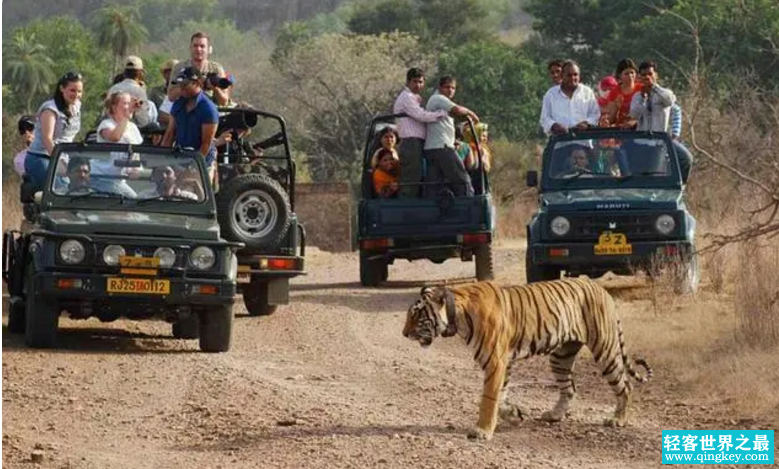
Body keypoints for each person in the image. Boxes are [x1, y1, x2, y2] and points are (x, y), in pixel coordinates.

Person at [392, 68, 449, 197]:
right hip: (410, 142)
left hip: (417, 143)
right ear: (408, 82)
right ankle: (406, 208)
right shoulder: (406, 97)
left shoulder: (414, 98)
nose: (418, 85)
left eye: (421, 82)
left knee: (419, 175)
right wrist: (441, 114)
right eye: (415, 81)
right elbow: (420, 115)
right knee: (411, 178)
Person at [162, 66, 220, 186]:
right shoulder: (178, 104)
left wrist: (192, 169)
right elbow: (169, 134)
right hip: (180, 156)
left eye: (185, 84)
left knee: (195, 195)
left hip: (201, 161)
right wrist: (162, 161)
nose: (181, 88)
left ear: (197, 83)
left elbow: (206, 144)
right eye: (180, 84)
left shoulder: (208, 109)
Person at [25, 71, 83, 189]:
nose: (76, 95)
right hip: (41, 157)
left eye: (79, 91)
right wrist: (59, 162)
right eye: (72, 90)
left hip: (63, 158)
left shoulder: (77, 106)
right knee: (61, 191)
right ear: (62, 88)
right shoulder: (50, 109)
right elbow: (47, 140)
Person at [423, 76, 480, 197]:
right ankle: (469, 207)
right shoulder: (438, 98)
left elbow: (454, 117)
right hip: (442, 147)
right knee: (463, 180)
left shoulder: (440, 102)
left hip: (432, 148)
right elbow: (458, 110)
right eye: (447, 87)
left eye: (453, 88)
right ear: (440, 87)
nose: (450, 90)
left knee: (434, 185)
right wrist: (472, 114)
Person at [92, 91, 144, 197]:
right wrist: (127, 116)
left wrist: (136, 170)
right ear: (114, 107)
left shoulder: (133, 128)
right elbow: (115, 137)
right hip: (100, 177)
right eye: (125, 103)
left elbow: (135, 156)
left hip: (118, 181)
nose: (128, 106)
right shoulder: (106, 124)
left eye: (130, 103)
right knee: (131, 201)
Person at [539, 60, 600, 136]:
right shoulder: (551, 94)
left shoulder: (587, 92)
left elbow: (595, 114)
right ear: (562, 76)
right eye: (569, 75)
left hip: (584, 142)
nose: (572, 78)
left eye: (575, 74)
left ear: (579, 76)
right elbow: (544, 118)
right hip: (559, 143)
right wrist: (554, 125)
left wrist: (587, 123)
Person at [168, 32, 229, 106]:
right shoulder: (179, 67)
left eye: (202, 46)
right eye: (195, 46)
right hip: (185, 111)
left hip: (208, 111)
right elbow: (171, 97)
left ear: (209, 49)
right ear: (190, 48)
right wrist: (187, 83)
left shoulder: (216, 69)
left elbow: (224, 102)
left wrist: (214, 88)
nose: (198, 49)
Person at [107, 55, 158, 128]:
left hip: (112, 128)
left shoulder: (113, 89)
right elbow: (143, 120)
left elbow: (107, 113)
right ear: (140, 73)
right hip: (131, 131)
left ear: (124, 72)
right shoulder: (139, 91)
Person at [600, 59, 641, 128]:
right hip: (621, 130)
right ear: (620, 75)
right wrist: (617, 107)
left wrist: (635, 121)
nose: (630, 76)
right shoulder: (615, 92)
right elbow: (612, 119)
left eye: (632, 72)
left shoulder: (641, 89)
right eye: (626, 73)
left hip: (640, 129)